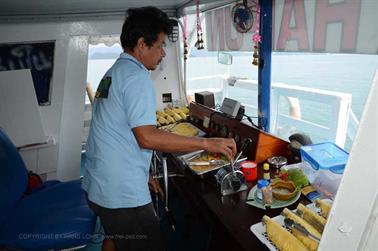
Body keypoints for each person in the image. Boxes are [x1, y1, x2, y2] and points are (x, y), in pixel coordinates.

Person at [82, 6, 237, 251]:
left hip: (98, 182)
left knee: (114, 237)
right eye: (161, 45)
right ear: (142, 44)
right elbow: (146, 137)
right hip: (120, 194)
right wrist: (208, 143)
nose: (164, 53)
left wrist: (144, 174)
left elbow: (111, 130)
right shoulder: (136, 77)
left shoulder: (112, 73)